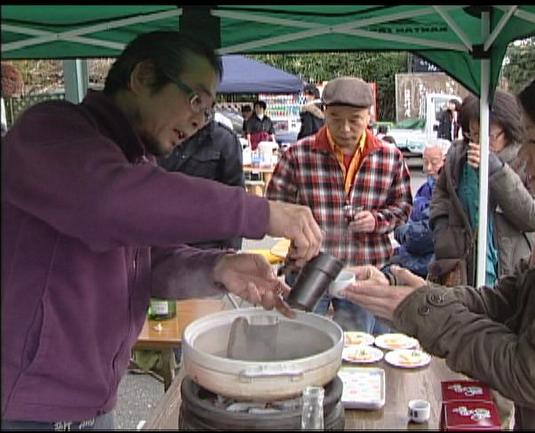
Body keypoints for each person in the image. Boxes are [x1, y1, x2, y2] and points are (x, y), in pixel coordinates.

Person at [1, 31, 323, 430]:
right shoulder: (50, 131)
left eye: (207, 111)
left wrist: (218, 269)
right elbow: (107, 203)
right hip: (26, 401)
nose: (198, 120)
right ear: (143, 77)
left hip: (96, 401)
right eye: (195, 100)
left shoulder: (136, 165)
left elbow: (149, 262)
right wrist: (260, 212)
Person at [344, 58, 535, 430]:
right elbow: (510, 300)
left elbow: (532, 375)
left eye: (532, 141)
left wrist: (420, 309)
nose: (526, 157)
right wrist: (419, 294)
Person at [266, 76, 413, 334]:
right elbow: (272, 208)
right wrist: (295, 225)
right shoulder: (298, 155)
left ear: (369, 116)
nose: (345, 129)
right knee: (300, 343)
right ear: (324, 113)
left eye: (355, 120)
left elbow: (403, 207)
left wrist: (377, 220)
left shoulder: (389, 158)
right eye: (335, 118)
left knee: (359, 348)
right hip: (309, 270)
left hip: (365, 271)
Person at [429, 90, 535, 287]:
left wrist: (495, 169)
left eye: (488, 135)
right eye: (472, 134)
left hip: (507, 265)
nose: (478, 143)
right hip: (463, 267)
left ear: (508, 130)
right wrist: (442, 233)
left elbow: (534, 218)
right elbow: (441, 196)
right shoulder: (457, 156)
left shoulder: (526, 160)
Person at [158, 118, 245, 249]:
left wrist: (232, 249)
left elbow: (236, 198)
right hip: (163, 238)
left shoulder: (224, 139)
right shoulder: (161, 135)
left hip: (207, 242)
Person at [389, 140, 448, 278]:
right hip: (412, 254)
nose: (428, 168)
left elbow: (422, 236)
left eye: (434, 162)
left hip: (425, 262)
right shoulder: (426, 187)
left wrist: (400, 230)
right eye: (425, 161)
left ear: (445, 162)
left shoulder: (445, 192)